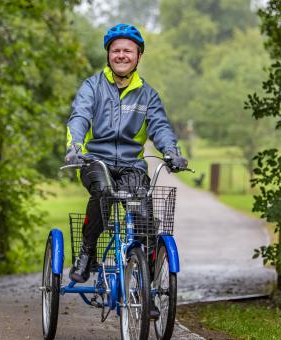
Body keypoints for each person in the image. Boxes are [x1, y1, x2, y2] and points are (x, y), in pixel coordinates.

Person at [65, 23, 188, 284]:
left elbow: (160, 126)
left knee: (143, 217)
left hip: (132, 165)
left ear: (139, 56)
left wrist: (171, 151)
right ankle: (87, 252)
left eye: (128, 51)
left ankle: (146, 285)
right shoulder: (93, 87)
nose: (121, 55)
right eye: (116, 50)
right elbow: (79, 117)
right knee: (102, 192)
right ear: (108, 54)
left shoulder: (147, 94)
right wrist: (74, 147)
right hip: (95, 161)